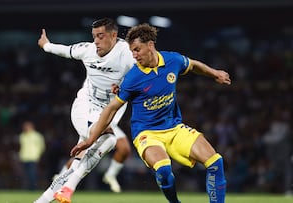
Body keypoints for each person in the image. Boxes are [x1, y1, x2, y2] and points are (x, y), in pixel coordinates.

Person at [71, 23, 231, 203]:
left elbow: (193, 65)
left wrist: (215, 73)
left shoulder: (173, 61)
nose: (135, 55)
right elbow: (110, 108)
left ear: (151, 45)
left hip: (174, 128)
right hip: (147, 133)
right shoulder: (133, 77)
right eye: (132, 51)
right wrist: (91, 139)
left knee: (216, 162)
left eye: (137, 49)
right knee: (164, 171)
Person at [34, 18, 135, 203]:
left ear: (114, 35)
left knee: (77, 163)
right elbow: (65, 51)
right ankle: (68, 189)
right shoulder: (88, 50)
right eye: (94, 36)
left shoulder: (127, 54)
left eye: (100, 36)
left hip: (107, 116)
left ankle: (43, 200)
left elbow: (147, 75)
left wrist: (129, 88)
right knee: (110, 139)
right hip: (84, 108)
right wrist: (46, 45)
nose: (96, 41)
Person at [19, 121, 46, 190]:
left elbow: (42, 146)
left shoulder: (37, 136)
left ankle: (33, 188)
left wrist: (38, 155)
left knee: (32, 174)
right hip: (24, 157)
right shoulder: (22, 136)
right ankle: (26, 188)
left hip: (33, 157)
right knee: (25, 175)